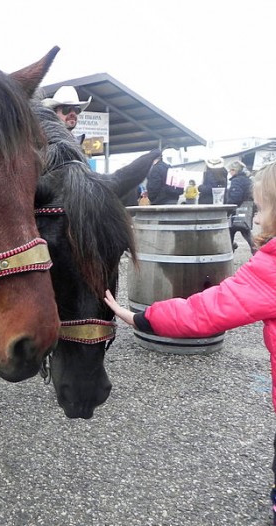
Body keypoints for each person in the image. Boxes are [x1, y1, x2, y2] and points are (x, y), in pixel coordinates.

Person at [103, 160, 276, 526]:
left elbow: (202, 311)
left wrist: (138, 317)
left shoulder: (270, 272)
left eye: (260, 209)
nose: (256, 220)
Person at [225, 159, 257, 254]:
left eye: (230, 170)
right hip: (246, 211)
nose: (229, 173)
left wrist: (228, 208)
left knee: (230, 231)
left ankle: (229, 253)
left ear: (234, 170)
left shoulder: (237, 180)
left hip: (237, 212)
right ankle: (256, 251)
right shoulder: (247, 179)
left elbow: (236, 197)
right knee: (245, 231)